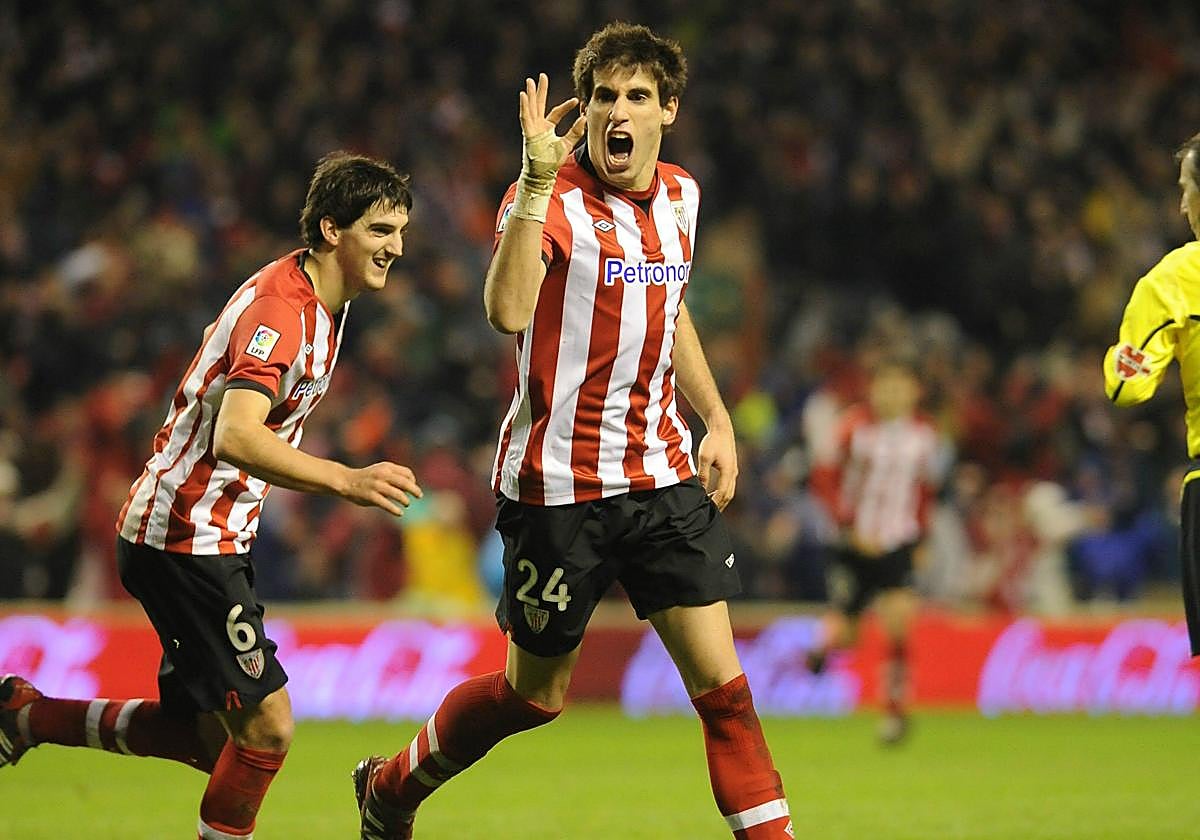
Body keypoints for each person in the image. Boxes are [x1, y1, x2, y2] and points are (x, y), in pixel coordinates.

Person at [352, 22, 792, 840]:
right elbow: (506, 312)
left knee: (726, 698)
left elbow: (668, 309)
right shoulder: (548, 199)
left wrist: (717, 417)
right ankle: (390, 788)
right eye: (601, 97)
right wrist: (532, 183)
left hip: (661, 477)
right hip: (559, 490)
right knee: (533, 697)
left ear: (669, 109)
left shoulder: (685, 198)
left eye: (635, 97)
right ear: (583, 110)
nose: (615, 113)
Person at [0, 151, 423, 840]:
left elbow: (215, 352)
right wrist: (345, 478)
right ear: (329, 230)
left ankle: (27, 716)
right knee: (268, 729)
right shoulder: (285, 312)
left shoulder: (312, 299)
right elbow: (236, 436)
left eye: (400, 230)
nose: (396, 247)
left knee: (207, 741)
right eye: (379, 230)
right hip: (185, 537)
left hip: (207, 532)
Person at [806, 357, 941, 744]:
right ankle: (821, 649)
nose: (892, 394)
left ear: (915, 392)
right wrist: (848, 530)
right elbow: (825, 481)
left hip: (899, 541)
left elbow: (926, 491)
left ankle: (895, 714)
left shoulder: (925, 435)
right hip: (854, 543)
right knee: (849, 635)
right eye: (886, 386)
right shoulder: (852, 429)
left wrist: (923, 539)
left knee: (899, 624)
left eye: (901, 386)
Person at [1105, 131, 1200, 658]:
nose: (1182, 203)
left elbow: (1128, 385)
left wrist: (1119, 362)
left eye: (1187, 188)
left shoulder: (1177, 278)